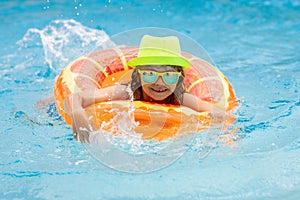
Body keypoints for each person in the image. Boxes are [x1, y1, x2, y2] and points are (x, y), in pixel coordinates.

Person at [65, 35, 223, 142]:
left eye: (168, 76)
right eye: (149, 74)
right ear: (138, 76)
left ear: (179, 78)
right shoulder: (128, 91)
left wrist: (225, 137)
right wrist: (78, 113)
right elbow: (76, 98)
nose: (159, 83)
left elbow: (219, 114)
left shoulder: (180, 97)